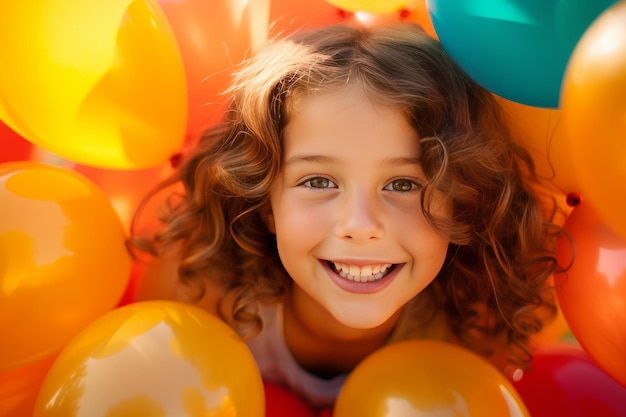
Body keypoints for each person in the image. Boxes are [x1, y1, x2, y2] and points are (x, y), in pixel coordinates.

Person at [129, 20, 562, 410]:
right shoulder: (194, 287)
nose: (360, 225)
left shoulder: (474, 327)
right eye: (319, 182)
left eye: (404, 184)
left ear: (465, 202)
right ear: (263, 203)